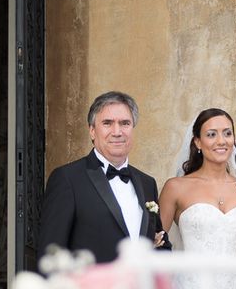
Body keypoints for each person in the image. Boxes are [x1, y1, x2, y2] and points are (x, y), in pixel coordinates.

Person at [38, 91, 171, 265]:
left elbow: (159, 243)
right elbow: (51, 255)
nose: (117, 132)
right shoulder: (67, 178)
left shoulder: (147, 183)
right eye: (107, 123)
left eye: (125, 123)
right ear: (92, 131)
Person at [158, 108, 236, 289]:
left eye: (227, 133)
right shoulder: (176, 187)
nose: (221, 141)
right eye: (211, 134)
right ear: (197, 142)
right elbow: (156, 245)